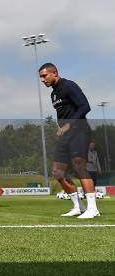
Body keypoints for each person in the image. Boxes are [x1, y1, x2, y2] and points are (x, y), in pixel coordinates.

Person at [39, 63, 100, 218]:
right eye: (41, 77)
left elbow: (85, 107)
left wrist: (68, 125)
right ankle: (78, 207)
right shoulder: (53, 94)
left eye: (44, 75)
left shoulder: (69, 85)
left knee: (79, 166)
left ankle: (93, 209)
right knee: (58, 172)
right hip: (65, 135)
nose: (42, 79)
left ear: (55, 73)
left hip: (79, 131)